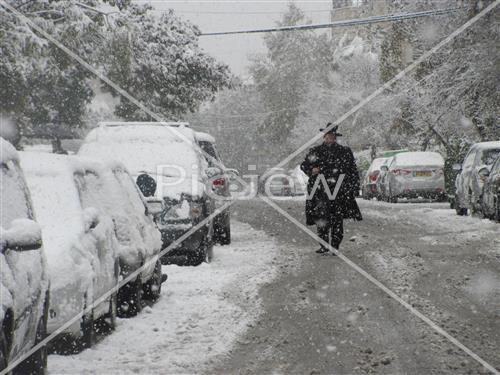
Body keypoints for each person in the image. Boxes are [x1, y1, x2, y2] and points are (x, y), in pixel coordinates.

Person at [300, 124, 362, 254]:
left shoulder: (344, 152)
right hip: (320, 190)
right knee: (321, 218)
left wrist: (353, 186)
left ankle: (335, 245)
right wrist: (312, 170)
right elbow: (304, 165)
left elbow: (352, 170)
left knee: (336, 218)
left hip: (338, 190)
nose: (330, 139)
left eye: (333, 137)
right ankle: (323, 245)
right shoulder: (315, 151)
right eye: (328, 136)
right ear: (324, 137)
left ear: (335, 137)